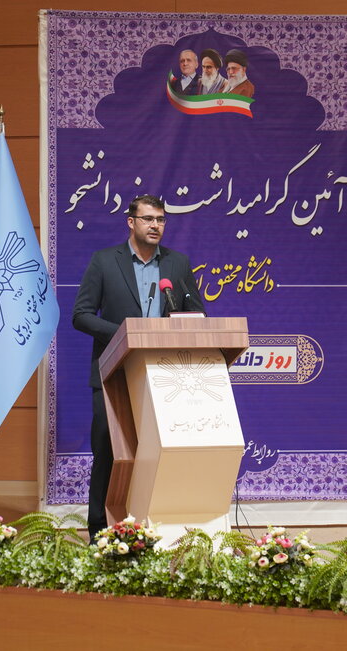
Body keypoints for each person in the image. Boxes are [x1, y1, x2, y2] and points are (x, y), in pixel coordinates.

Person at [72, 195, 205, 541]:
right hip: (114, 374)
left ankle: (156, 528)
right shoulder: (105, 261)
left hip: (164, 376)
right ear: (131, 222)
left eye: (160, 220)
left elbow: (196, 314)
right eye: (148, 219)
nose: (155, 226)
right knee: (109, 452)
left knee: (160, 453)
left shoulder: (177, 264)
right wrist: (125, 334)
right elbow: (81, 315)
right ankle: (99, 531)